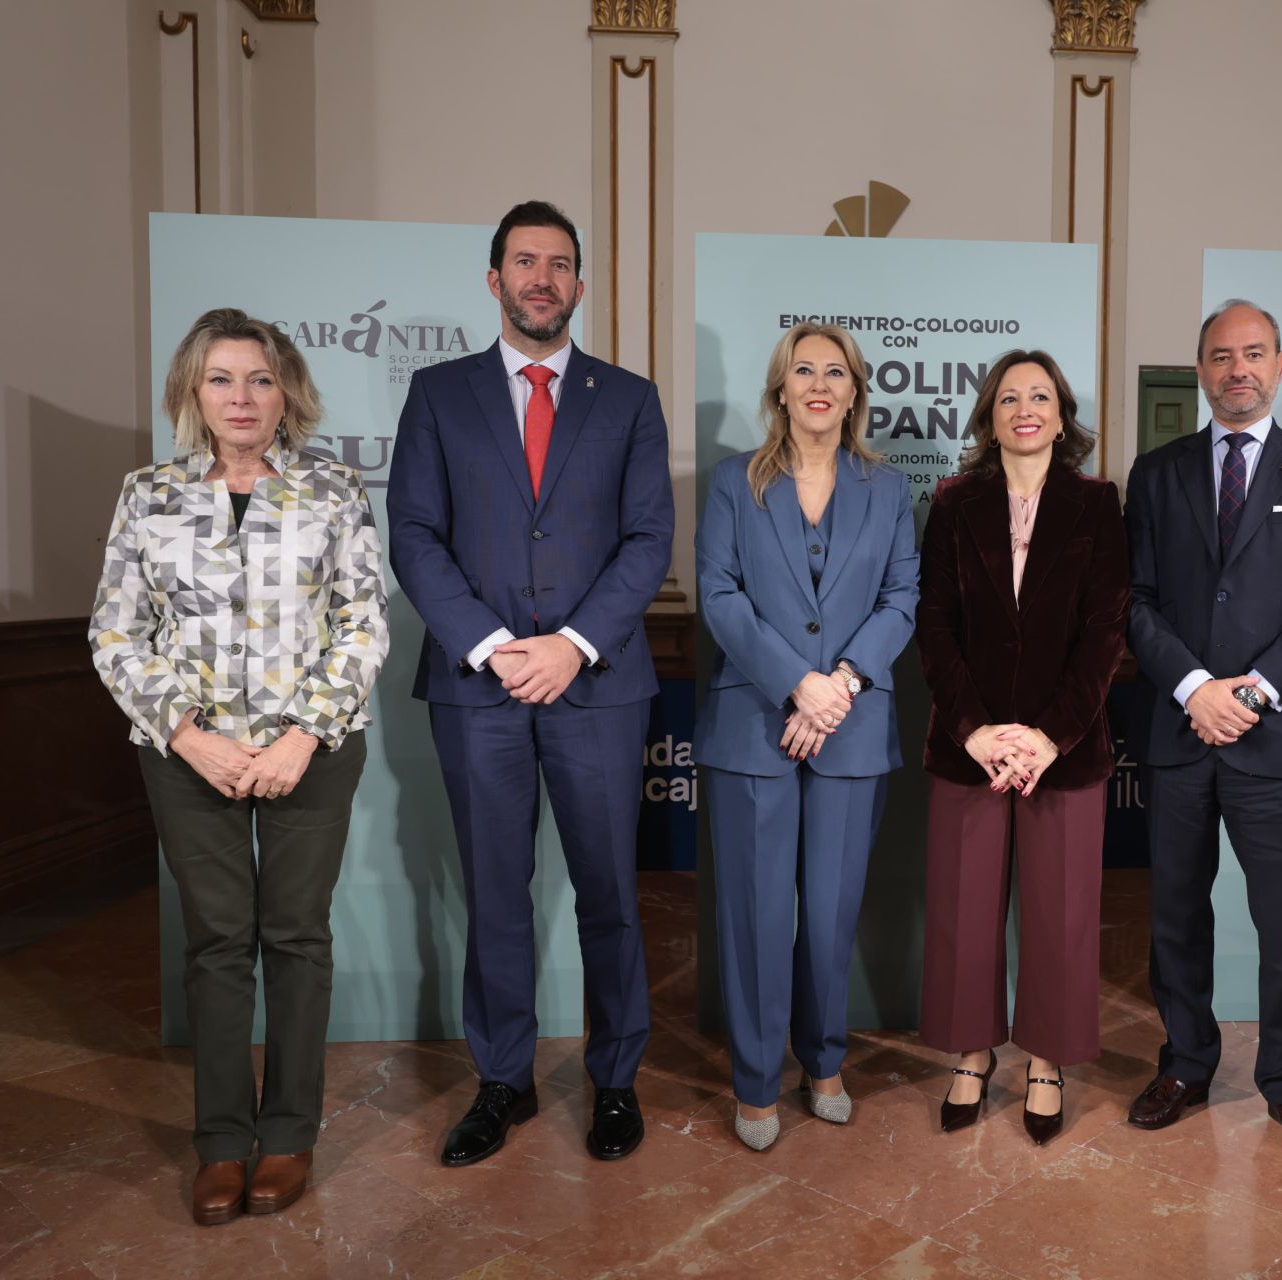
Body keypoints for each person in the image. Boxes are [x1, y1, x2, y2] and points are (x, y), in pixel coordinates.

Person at [386, 200, 672, 1166]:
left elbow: (649, 539)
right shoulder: (439, 394)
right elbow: (414, 535)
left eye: (558, 264)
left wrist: (573, 645)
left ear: (579, 286)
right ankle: (502, 1081)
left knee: (610, 894)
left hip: (598, 688)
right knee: (496, 893)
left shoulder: (628, 399)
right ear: (495, 278)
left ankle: (616, 1079)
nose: (541, 279)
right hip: (481, 689)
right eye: (524, 261)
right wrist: (495, 644)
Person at [90, 307, 389, 1223]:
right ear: (193, 392)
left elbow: (363, 622)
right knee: (218, 943)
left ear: (285, 392)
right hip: (190, 756)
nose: (242, 397)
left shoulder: (334, 490)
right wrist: (189, 736)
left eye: (259, 379)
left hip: (313, 752)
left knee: (296, 937)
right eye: (221, 379)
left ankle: (289, 1133)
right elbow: (115, 632)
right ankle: (222, 1143)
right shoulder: (147, 494)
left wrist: (302, 735)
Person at [1122, 299, 1282, 1162]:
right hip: (1180, 731)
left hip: (1279, 744)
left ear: (1280, 365)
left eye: (1253, 353)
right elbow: (1134, 601)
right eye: (1222, 356)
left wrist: (1250, 695)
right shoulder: (1157, 473)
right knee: (1176, 918)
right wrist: (1195, 688)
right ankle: (1186, 1064)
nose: (1238, 370)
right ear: (1200, 370)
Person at [692, 322, 919, 1151]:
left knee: (829, 913)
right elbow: (719, 594)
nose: (819, 385)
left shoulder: (888, 490)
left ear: (855, 392)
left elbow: (902, 597)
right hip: (753, 725)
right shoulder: (733, 483)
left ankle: (824, 1062)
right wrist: (798, 683)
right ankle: (755, 1081)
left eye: (835, 372)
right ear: (780, 389)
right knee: (755, 916)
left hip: (851, 729)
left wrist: (841, 685)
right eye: (803, 371)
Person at [914, 350, 1128, 1146]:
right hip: (968, 746)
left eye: (1041, 396)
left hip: (1061, 750)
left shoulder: (1098, 503)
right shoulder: (953, 502)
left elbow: (1105, 631)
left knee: (1060, 914)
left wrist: (1047, 737)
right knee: (964, 911)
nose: (1026, 408)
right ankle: (972, 1053)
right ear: (990, 417)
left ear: (1062, 416)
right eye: (1010, 398)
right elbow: (933, 624)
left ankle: (1046, 1059)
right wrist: (975, 730)